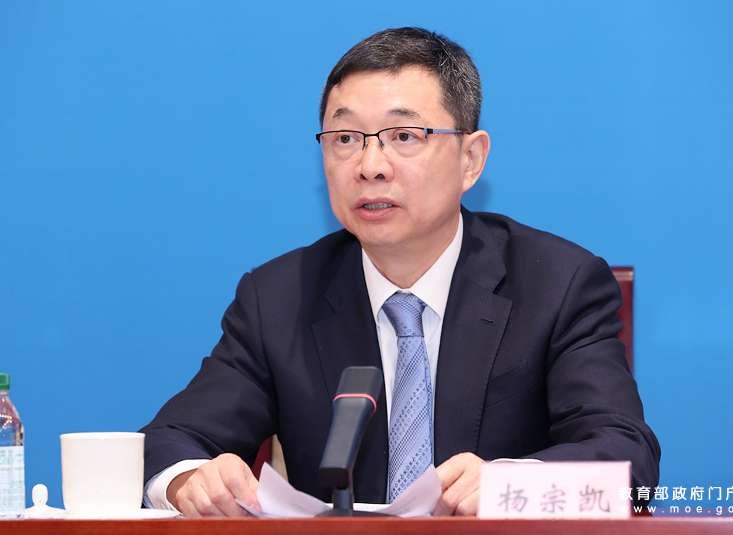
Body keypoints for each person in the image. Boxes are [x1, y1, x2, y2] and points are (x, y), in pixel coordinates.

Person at [140, 27, 660, 518]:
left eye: (404, 135)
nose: (370, 165)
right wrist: (190, 480)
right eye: (346, 138)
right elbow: (167, 443)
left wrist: (510, 486)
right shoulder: (277, 298)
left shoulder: (557, 284)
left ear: (470, 159)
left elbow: (627, 460)